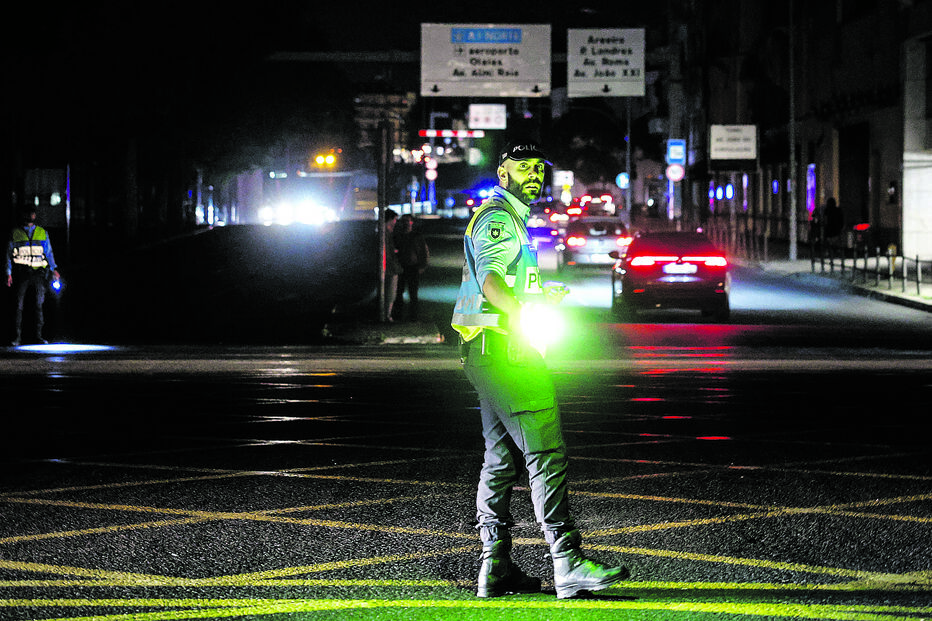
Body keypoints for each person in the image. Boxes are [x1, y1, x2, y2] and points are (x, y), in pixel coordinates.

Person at [452, 142, 630, 599]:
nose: (532, 174)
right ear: (502, 171)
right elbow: (491, 283)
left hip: (487, 353)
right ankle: (567, 562)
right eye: (522, 167)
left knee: (501, 460)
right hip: (509, 354)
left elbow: (504, 283)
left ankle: (495, 565)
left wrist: (536, 297)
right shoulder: (498, 219)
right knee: (545, 455)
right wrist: (521, 318)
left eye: (537, 168)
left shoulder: (512, 218)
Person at [5, 208, 60, 346]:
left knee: (39, 305)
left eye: (32, 213)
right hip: (22, 272)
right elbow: (8, 254)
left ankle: (38, 336)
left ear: (35, 215)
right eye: (28, 213)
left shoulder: (42, 232)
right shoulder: (15, 233)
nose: (30, 216)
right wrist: (8, 273)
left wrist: (54, 269)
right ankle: (17, 337)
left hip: (38, 272)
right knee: (18, 306)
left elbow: (49, 252)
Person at [393, 214, 429, 321]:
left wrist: (423, 265)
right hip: (401, 267)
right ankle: (398, 314)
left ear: (411, 222)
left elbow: (424, 251)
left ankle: (413, 316)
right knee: (399, 292)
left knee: (413, 293)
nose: (406, 223)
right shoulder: (398, 236)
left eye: (407, 221)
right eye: (404, 221)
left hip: (413, 267)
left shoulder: (417, 236)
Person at [382, 208, 401, 322]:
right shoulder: (386, 233)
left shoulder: (386, 232)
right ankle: (387, 315)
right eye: (394, 219)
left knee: (390, 292)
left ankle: (387, 314)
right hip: (390, 268)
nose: (395, 222)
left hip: (390, 267)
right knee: (390, 293)